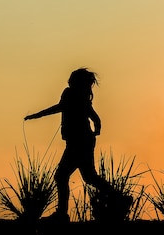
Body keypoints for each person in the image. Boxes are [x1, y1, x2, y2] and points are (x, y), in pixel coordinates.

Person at [24, 67, 111, 222]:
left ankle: (62, 214)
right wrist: (96, 130)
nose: (69, 80)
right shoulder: (84, 97)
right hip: (85, 140)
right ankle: (118, 197)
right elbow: (96, 119)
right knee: (89, 177)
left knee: (62, 176)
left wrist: (37, 115)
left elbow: (59, 107)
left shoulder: (70, 93)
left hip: (77, 141)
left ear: (75, 81)